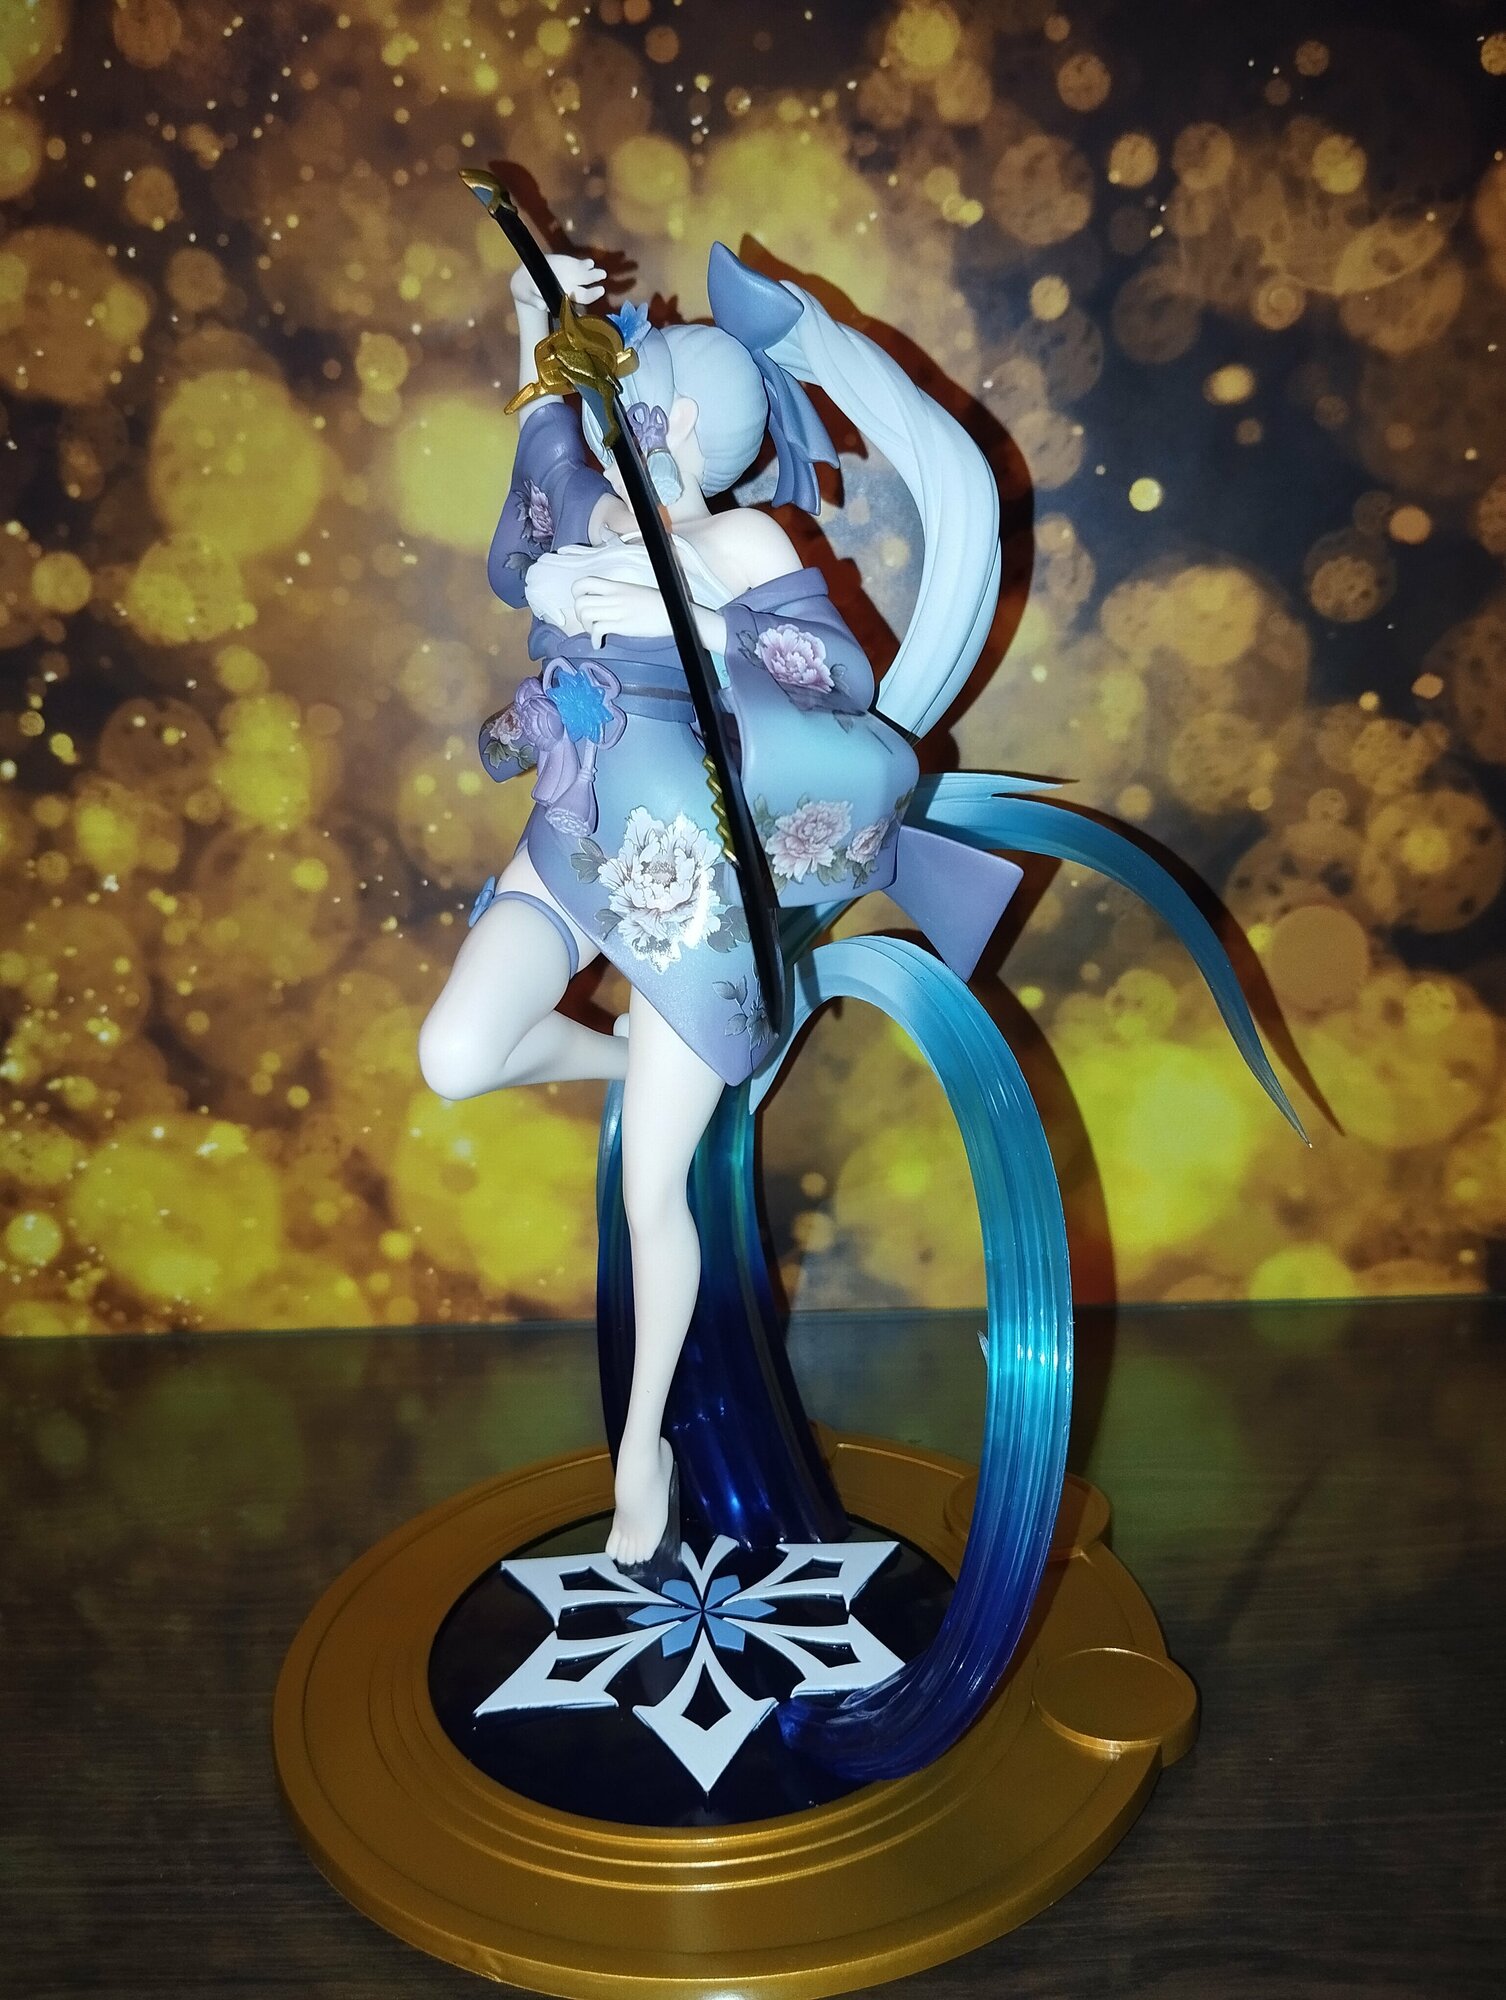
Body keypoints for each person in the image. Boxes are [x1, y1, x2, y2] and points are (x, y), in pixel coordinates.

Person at [419, 242, 1024, 1571]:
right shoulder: (586, 520)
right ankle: (622, 1059)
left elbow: (832, 683)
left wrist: (700, 614)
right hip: (570, 842)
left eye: (629, 418)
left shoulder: (744, 541)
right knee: (456, 1054)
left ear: (683, 425)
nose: (603, 444)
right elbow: (538, 428)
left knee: (655, 1197)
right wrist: (532, 306)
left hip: (689, 901)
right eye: (602, 419)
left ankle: (642, 1448)